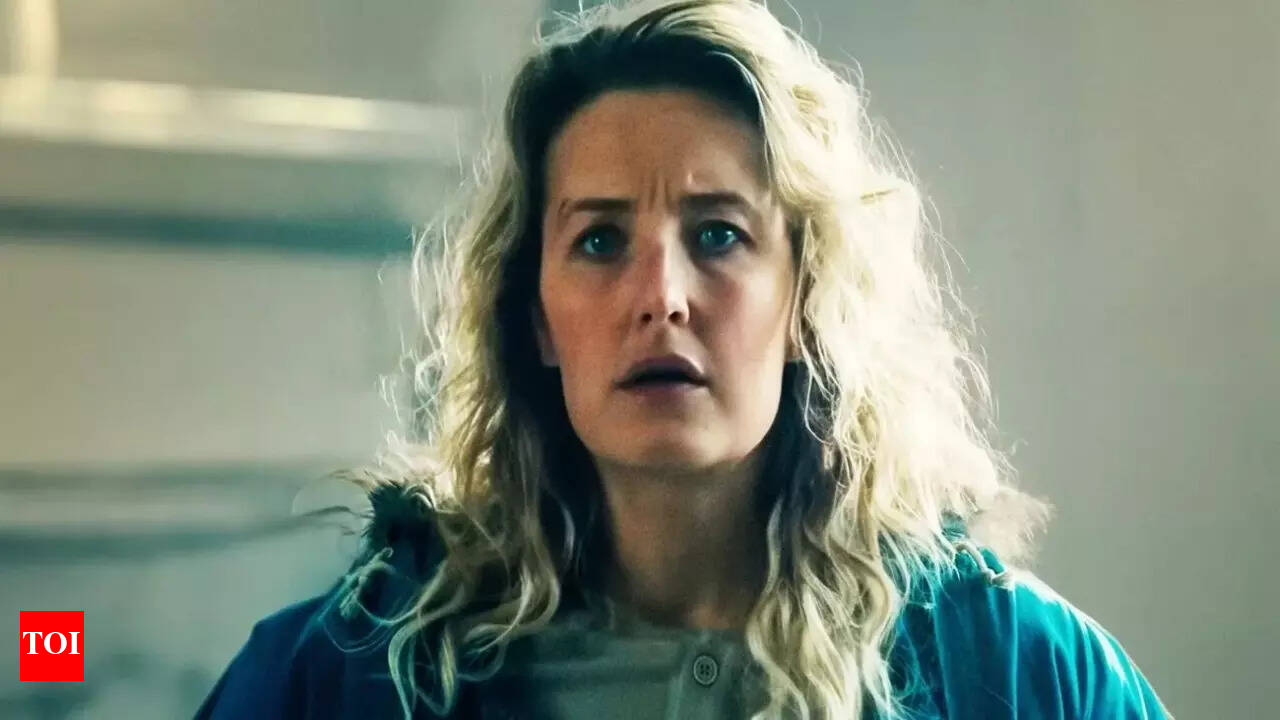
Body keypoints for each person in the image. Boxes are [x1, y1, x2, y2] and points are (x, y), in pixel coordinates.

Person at [194, 1, 1172, 718]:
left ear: (804, 302)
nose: (660, 295)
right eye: (599, 241)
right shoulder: (347, 674)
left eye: (716, 236)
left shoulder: (1013, 669)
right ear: (536, 320)